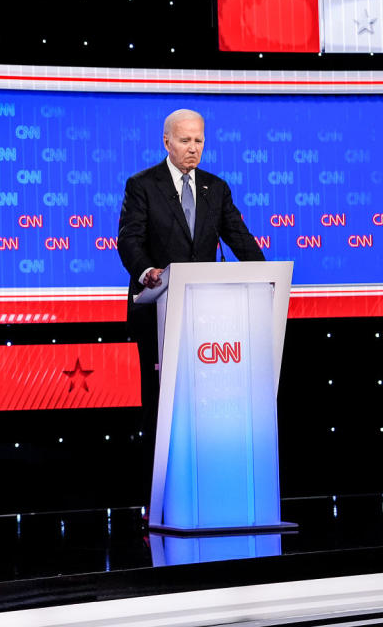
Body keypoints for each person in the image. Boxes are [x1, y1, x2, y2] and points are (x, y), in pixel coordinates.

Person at [117, 108, 264, 485]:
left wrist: (264, 273)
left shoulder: (216, 188)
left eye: (199, 140)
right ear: (166, 141)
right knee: (161, 398)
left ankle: (207, 477)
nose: (193, 148)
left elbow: (239, 237)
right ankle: (160, 484)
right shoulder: (142, 185)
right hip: (158, 311)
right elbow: (129, 240)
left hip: (209, 317)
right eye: (185, 141)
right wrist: (147, 271)